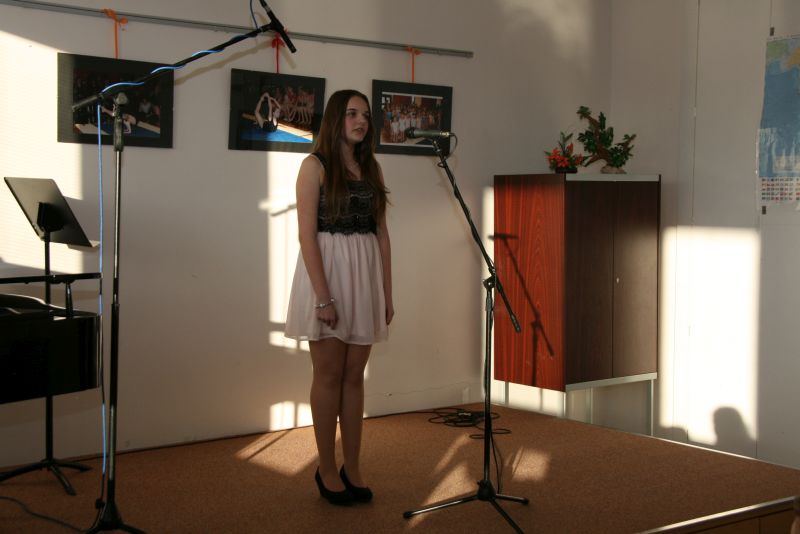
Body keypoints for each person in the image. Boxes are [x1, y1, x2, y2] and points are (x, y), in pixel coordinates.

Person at [284, 89, 393, 506]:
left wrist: (386, 293)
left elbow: (382, 235)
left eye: (365, 115)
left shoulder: (371, 167)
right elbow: (306, 236)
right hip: (327, 277)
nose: (361, 121)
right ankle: (326, 468)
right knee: (328, 375)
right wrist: (323, 297)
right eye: (351, 114)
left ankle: (354, 465)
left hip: (363, 279)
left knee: (354, 376)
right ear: (335, 118)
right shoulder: (313, 166)